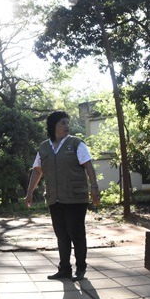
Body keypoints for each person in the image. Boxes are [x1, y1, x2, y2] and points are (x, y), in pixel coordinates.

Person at [25, 111, 101, 281]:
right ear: (53, 126)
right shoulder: (44, 147)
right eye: (62, 123)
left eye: (67, 123)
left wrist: (94, 187)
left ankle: (80, 268)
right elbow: (37, 171)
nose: (67, 126)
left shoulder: (76, 144)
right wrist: (30, 192)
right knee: (61, 235)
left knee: (76, 232)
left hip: (75, 197)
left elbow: (88, 166)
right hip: (54, 198)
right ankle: (64, 268)